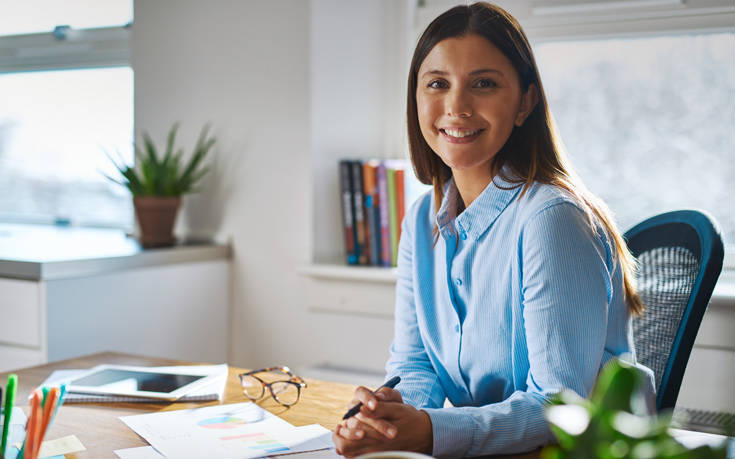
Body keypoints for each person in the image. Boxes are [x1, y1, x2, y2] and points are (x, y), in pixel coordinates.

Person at [332, 2, 653, 458]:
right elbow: (414, 364)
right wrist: (386, 418)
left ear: (525, 101)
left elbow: (560, 408)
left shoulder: (550, 218)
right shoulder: (421, 220)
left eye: (483, 84)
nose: (457, 106)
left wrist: (428, 430)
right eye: (438, 84)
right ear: (417, 99)